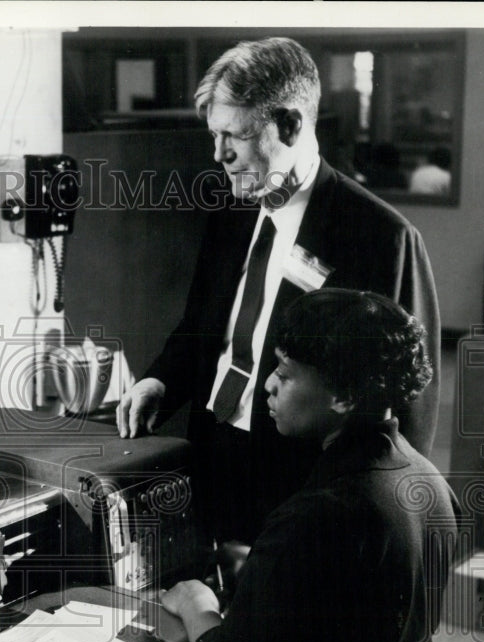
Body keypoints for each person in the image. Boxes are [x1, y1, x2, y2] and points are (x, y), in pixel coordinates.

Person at [116, 37, 440, 548]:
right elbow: (201, 327)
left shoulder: (383, 236)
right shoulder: (233, 207)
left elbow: (408, 403)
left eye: (234, 136)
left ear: (289, 125)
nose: (218, 155)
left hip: (308, 486)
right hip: (214, 454)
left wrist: (384, 513)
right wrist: (160, 380)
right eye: (214, 135)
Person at [161, 289, 458, 642]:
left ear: (343, 395)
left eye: (284, 372)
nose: (268, 387)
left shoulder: (318, 515)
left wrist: (197, 604)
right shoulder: (428, 480)